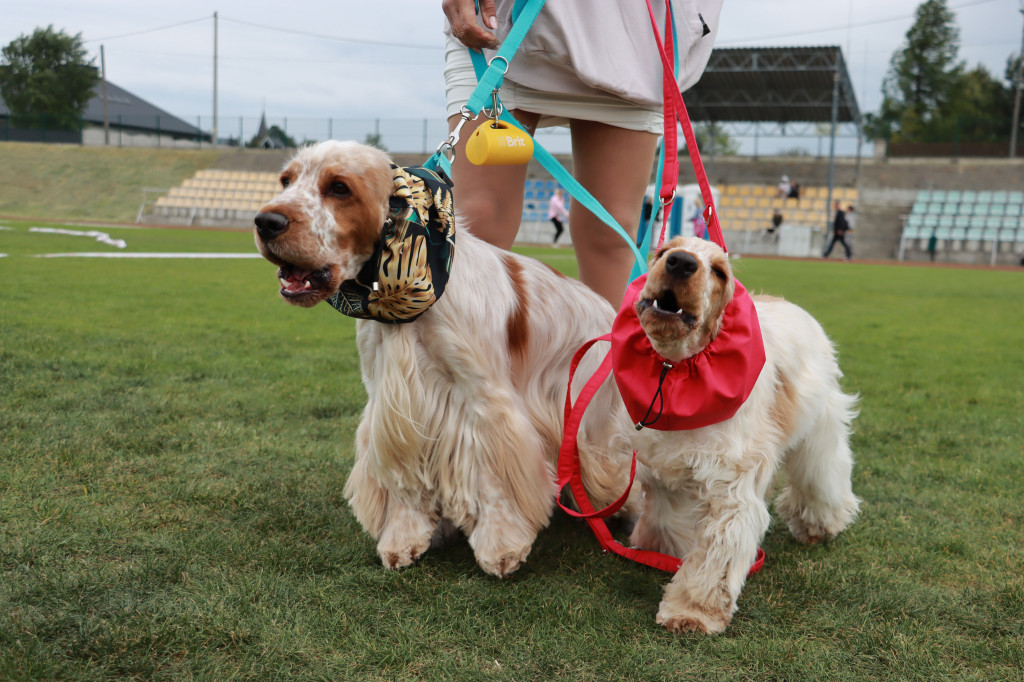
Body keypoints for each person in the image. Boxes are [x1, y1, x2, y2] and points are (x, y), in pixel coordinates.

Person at [442, 0, 723, 306]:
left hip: (633, 41)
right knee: (477, 224)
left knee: (611, 237)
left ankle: (603, 352)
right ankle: (457, 352)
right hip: (507, 29)